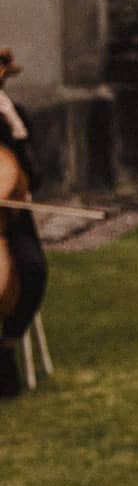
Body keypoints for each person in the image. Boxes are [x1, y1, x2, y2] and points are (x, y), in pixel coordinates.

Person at [0, 52, 47, 399]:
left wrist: (16, 129)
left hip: (10, 221)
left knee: (31, 269)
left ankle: (6, 345)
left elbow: (36, 180)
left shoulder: (15, 119)